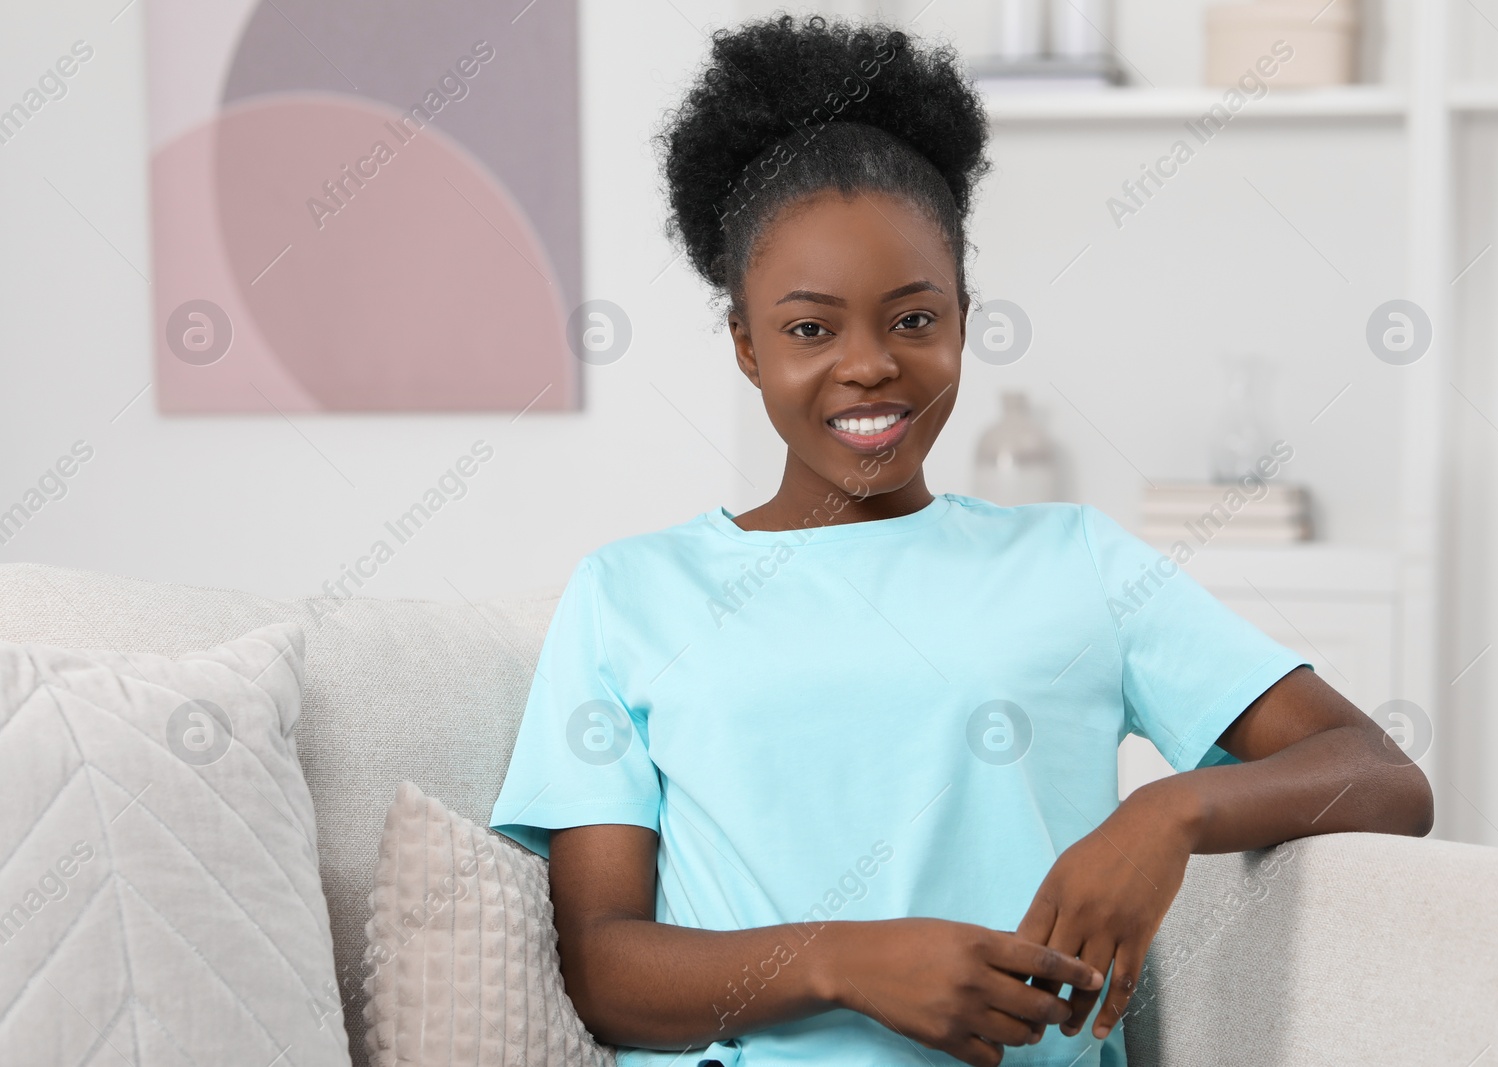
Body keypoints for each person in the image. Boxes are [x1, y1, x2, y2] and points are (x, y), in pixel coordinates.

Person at [489, 14, 1432, 1067]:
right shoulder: (631, 593)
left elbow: (1381, 773)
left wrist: (1166, 814)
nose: (869, 365)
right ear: (746, 346)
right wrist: (843, 960)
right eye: (810, 328)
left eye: (912, 319)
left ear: (962, 320)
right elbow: (606, 969)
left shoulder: (1079, 562)